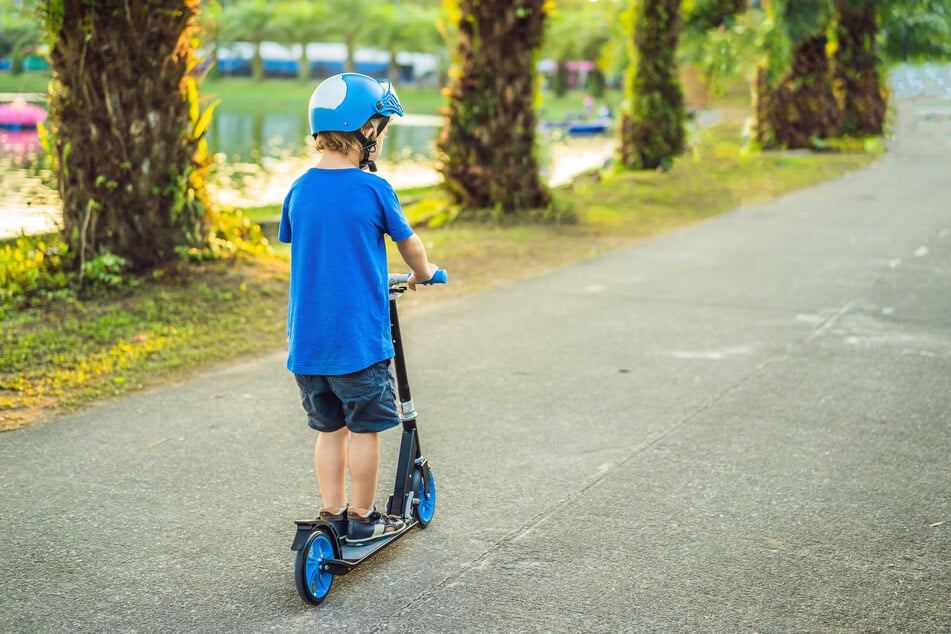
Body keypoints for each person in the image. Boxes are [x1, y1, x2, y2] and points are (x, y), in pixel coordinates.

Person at [279, 73, 438, 544]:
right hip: (358, 344)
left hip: (308, 346)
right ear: (366, 131)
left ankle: (331, 512)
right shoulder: (374, 190)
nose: (381, 139)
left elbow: (306, 241)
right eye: (381, 129)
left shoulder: (299, 190)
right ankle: (364, 514)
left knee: (330, 431)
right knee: (365, 429)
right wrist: (425, 272)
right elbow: (409, 244)